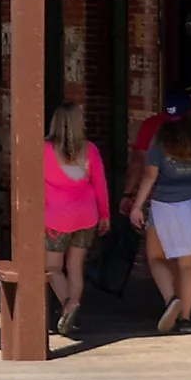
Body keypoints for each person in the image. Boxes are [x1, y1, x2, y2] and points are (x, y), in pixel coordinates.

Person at [128, 106, 191, 332]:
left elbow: (150, 175)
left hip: (166, 206)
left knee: (155, 258)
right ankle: (186, 319)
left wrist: (136, 205)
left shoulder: (161, 140)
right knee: (188, 267)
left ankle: (171, 298)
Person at [42, 102, 109, 337]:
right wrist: (105, 214)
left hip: (56, 218)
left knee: (52, 267)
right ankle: (73, 314)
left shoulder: (45, 151)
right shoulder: (90, 150)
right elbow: (100, 185)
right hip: (87, 215)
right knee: (75, 268)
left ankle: (69, 305)